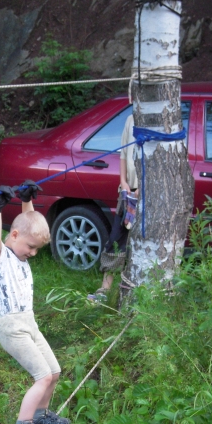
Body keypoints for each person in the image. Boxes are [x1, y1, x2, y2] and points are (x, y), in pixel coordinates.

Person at [0, 181, 71, 424]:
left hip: (29, 324)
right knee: (42, 376)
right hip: (12, 328)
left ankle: (40, 414)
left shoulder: (21, 248)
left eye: (36, 249)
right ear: (13, 236)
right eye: (31, 247)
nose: (33, 253)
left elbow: (28, 223)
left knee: (54, 372)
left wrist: (26, 200)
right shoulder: (1, 257)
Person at [87, 114, 138, 303]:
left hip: (147, 194)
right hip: (127, 193)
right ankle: (105, 290)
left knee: (140, 244)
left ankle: (136, 293)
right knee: (116, 239)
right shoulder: (131, 119)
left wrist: (142, 189)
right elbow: (124, 154)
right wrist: (123, 182)